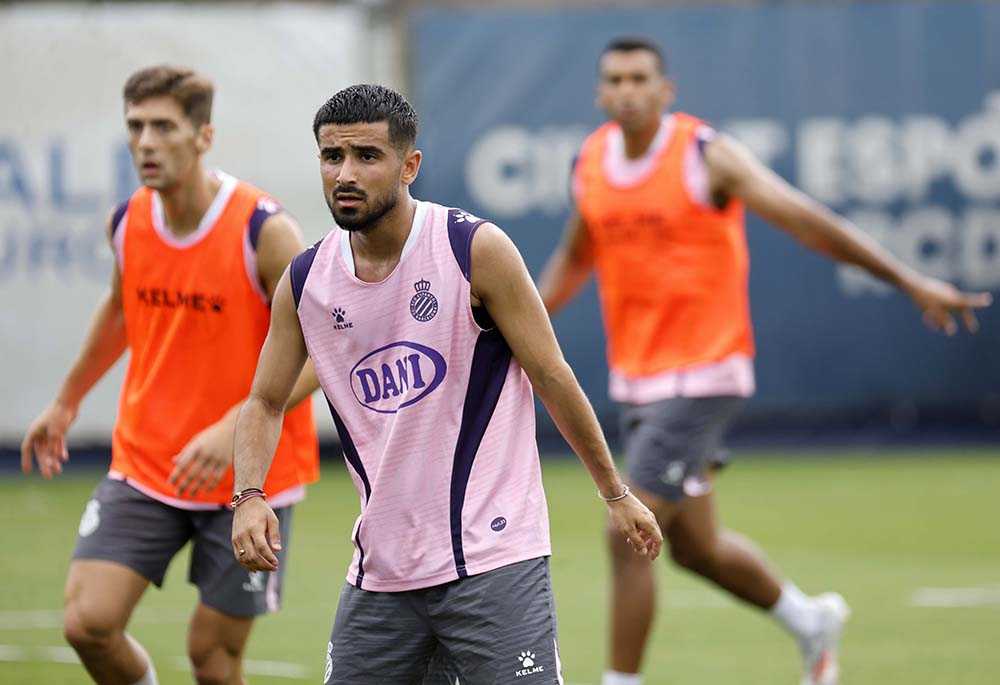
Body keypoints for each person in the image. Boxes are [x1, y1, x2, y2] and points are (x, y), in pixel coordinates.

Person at [537, 36, 992, 685]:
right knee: (694, 548)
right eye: (615, 79)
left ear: (666, 91)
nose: (627, 90)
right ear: (599, 93)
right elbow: (575, 257)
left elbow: (807, 220)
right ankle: (811, 621)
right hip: (639, 378)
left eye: (640, 78)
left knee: (626, 531)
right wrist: (515, 324)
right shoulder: (591, 162)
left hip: (706, 372)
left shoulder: (705, 156)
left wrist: (909, 279)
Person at [229, 83, 662, 684]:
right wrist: (249, 495)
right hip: (382, 570)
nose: (345, 174)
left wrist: (615, 493)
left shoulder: (471, 249)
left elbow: (551, 375)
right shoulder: (306, 281)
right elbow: (264, 400)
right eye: (332, 157)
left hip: (494, 557)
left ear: (409, 166)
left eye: (367, 156)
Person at [20, 65, 320, 685]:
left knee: (212, 660)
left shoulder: (265, 231)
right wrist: (67, 401)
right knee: (87, 623)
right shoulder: (128, 222)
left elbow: (324, 349)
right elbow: (120, 310)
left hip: (251, 475)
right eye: (135, 127)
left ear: (204, 136)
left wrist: (232, 430)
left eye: (163, 127)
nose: (146, 142)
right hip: (149, 461)